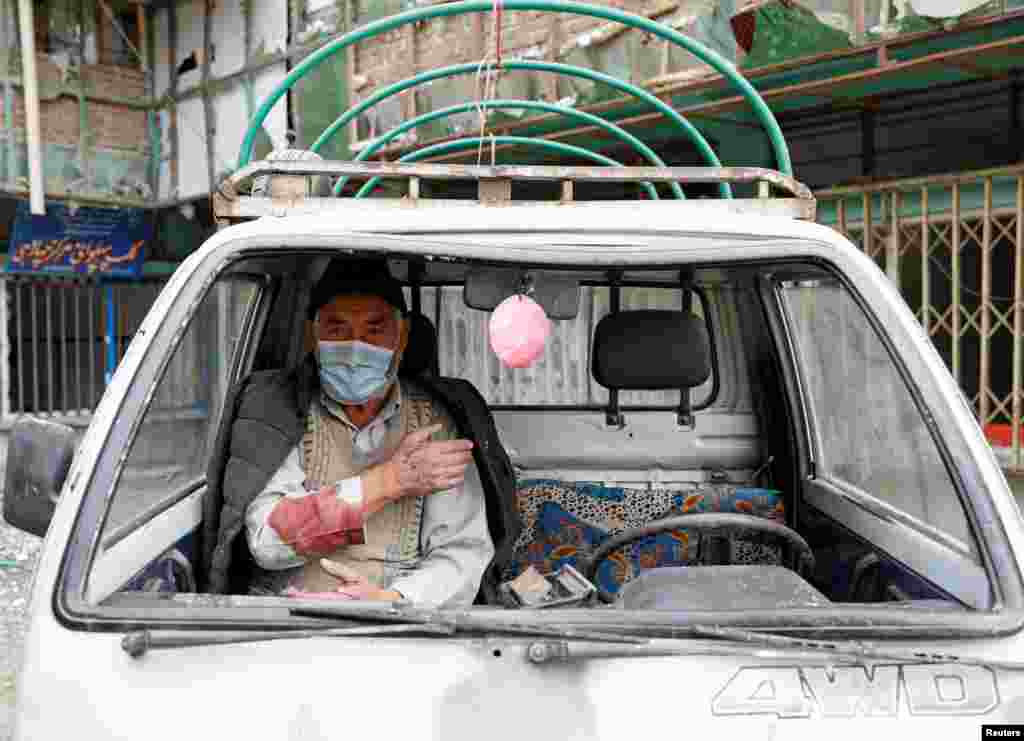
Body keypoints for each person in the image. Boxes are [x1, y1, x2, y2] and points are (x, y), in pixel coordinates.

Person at [241, 259, 494, 607]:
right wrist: (389, 481)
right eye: (338, 329)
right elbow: (267, 543)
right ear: (312, 337)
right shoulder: (279, 412)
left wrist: (392, 599)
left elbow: (462, 555)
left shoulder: (434, 423)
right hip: (287, 619)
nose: (355, 347)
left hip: (395, 626)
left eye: (374, 331)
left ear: (401, 337)